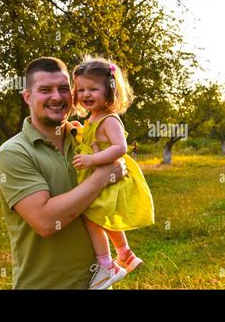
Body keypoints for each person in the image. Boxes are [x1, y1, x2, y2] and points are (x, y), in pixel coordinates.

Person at [0, 57, 127, 289]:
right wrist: (102, 176)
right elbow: (45, 222)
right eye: (45, 90)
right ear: (28, 97)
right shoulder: (13, 153)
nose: (56, 97)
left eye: (64, 89)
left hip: (98, 284)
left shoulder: (84, 139)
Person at [72, 56, 154, 290]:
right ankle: (125, 255)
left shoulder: (109, 119)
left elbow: (120, 148)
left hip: (110, 176)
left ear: (109, 91)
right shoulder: (93, 118)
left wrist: (91, 160)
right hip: (102, 175)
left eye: (93, 89)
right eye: (81, 89)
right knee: (101, 217)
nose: (86, 94)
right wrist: (80, 132)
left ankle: (107, 265)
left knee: (91, 218)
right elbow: (94, 141)